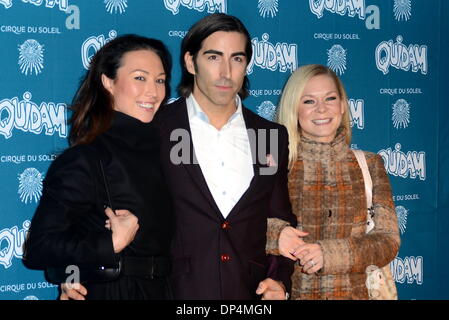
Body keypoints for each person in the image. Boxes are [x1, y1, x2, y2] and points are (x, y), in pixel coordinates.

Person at [61, 13, 297, 300]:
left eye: (236, 59)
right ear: (190, 62)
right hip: (168, 292)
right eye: (213, 57)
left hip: (248, 293)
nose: (225, 71)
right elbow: (90, 212)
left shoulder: (269, 135)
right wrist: (74, 273)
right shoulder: (155, 128)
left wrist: (279, 279)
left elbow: (280, 221)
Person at [23, 34, 174, 300]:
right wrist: (110, 244)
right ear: (108, 82)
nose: (153, 91)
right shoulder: (86, 158)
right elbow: (40, 247)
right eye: (140, 77)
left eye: (160, 80)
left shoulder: (170, 152)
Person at [272, 64, 400, 299]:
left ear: (342, 106)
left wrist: (329, 254)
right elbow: (241, 227)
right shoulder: (275, 166)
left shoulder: (370, 164)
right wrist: (275, 235)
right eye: (309, 101)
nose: (321, 109)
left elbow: (388, 240)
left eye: (330, 98)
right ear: (294, 109)